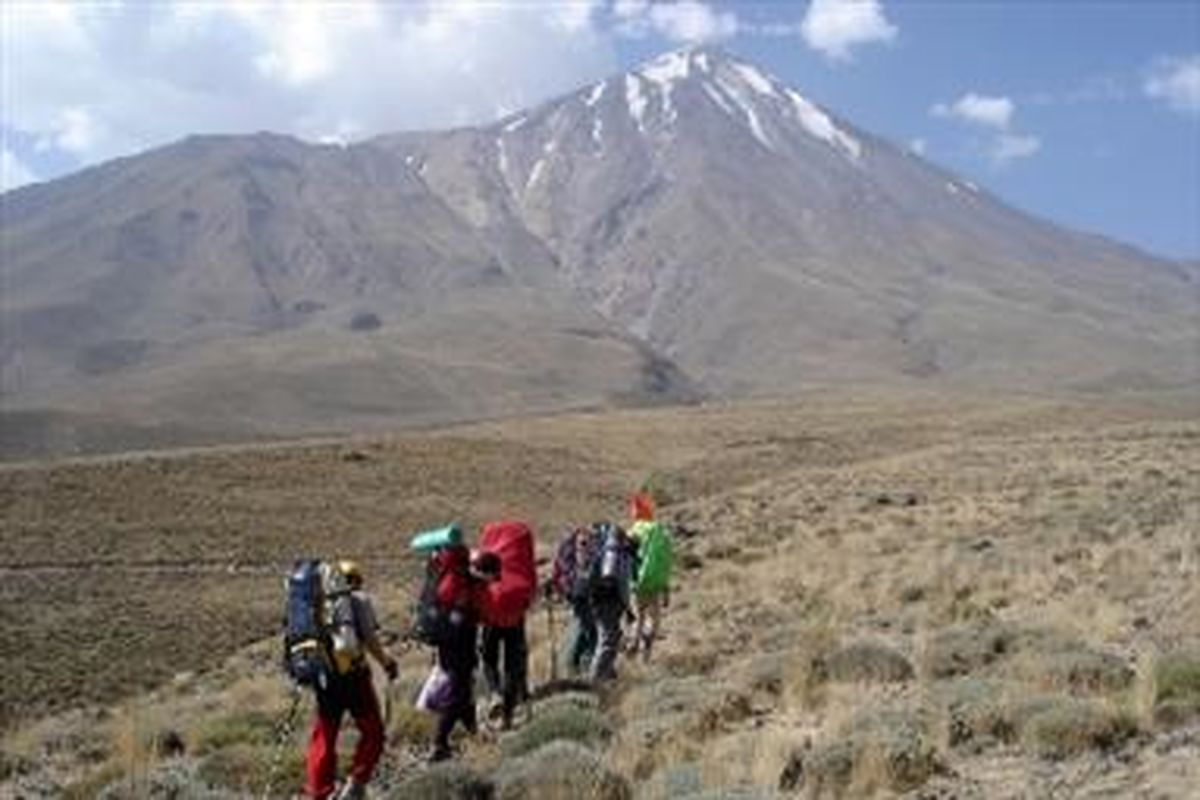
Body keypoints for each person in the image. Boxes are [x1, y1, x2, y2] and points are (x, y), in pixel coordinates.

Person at [305, 561, 398, 800]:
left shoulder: (315, 605)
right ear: (355, 579)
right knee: (373, 732)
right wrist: (386, 662)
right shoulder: (358, 600)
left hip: (325, 679)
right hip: (355, 678)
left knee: (324, 737)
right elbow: (368, 639)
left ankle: (319, 792)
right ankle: (356, 784)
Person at [428, 543, 491, 762]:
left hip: (447, 644)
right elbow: (480, 613)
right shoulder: (466, 583)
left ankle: (473, 732)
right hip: (460, 646)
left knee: (465, 690)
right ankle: (439, 742)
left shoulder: (448, 577)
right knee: (457, 694)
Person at [475, 521, 536, 730]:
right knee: (512, 665)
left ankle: (494, 694)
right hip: (515, 619)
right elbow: (530, 591)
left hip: (492, 619)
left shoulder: (486, 584)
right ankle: (508, 717)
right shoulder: (518, 579)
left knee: (489, 658)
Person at [627, 496, 674, 662]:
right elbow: (664, 559)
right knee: (654, 618)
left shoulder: (632, 531)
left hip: (635, 582)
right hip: (654, 581)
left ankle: (633, 645)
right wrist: (666, 586)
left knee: (637, 617)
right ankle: (646, 653)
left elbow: (626, 559)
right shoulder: (657, 530)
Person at [589, 521, 635, 683]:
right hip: (609, 603)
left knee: (608, 638)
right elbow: (620, 584)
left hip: (600, 601)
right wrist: (627, 608)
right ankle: (596, 681)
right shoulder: (617, 554)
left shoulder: (605, 550)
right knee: (608, 640)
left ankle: (606, 674)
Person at [550, 524, 598, 676]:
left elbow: (558, 572)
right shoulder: (582, 546)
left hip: (576, 593)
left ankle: (580, 662)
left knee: (586, 627)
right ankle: (580, 663)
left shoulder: (570, 549)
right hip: (579, 594)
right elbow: (585, 572)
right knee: (589, 629)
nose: (586, 544)